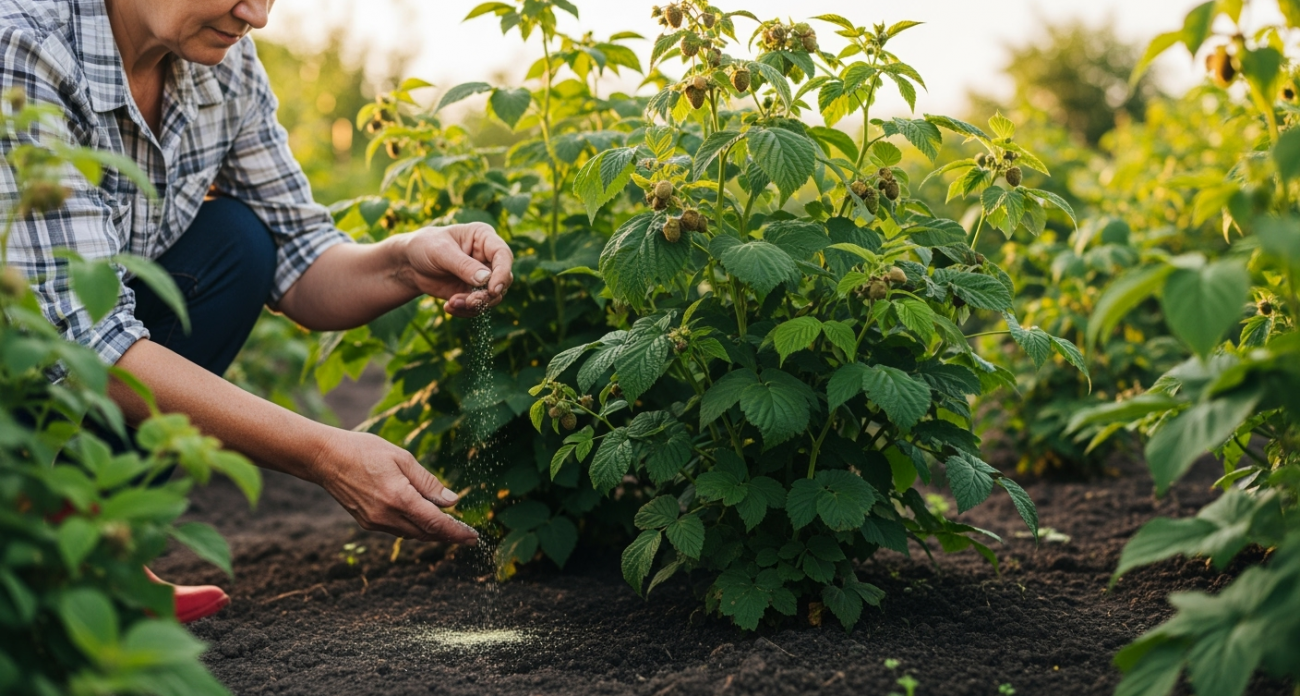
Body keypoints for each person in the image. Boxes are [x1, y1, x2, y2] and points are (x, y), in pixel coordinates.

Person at [0, 0, 510, 622]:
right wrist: (326, 453)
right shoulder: (25, 49)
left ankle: (86, 552)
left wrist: (406, 258)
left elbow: (301, 255)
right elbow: (83, 346)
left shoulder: (221, 59)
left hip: (61, 365)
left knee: (238, 244)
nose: (257, 15)